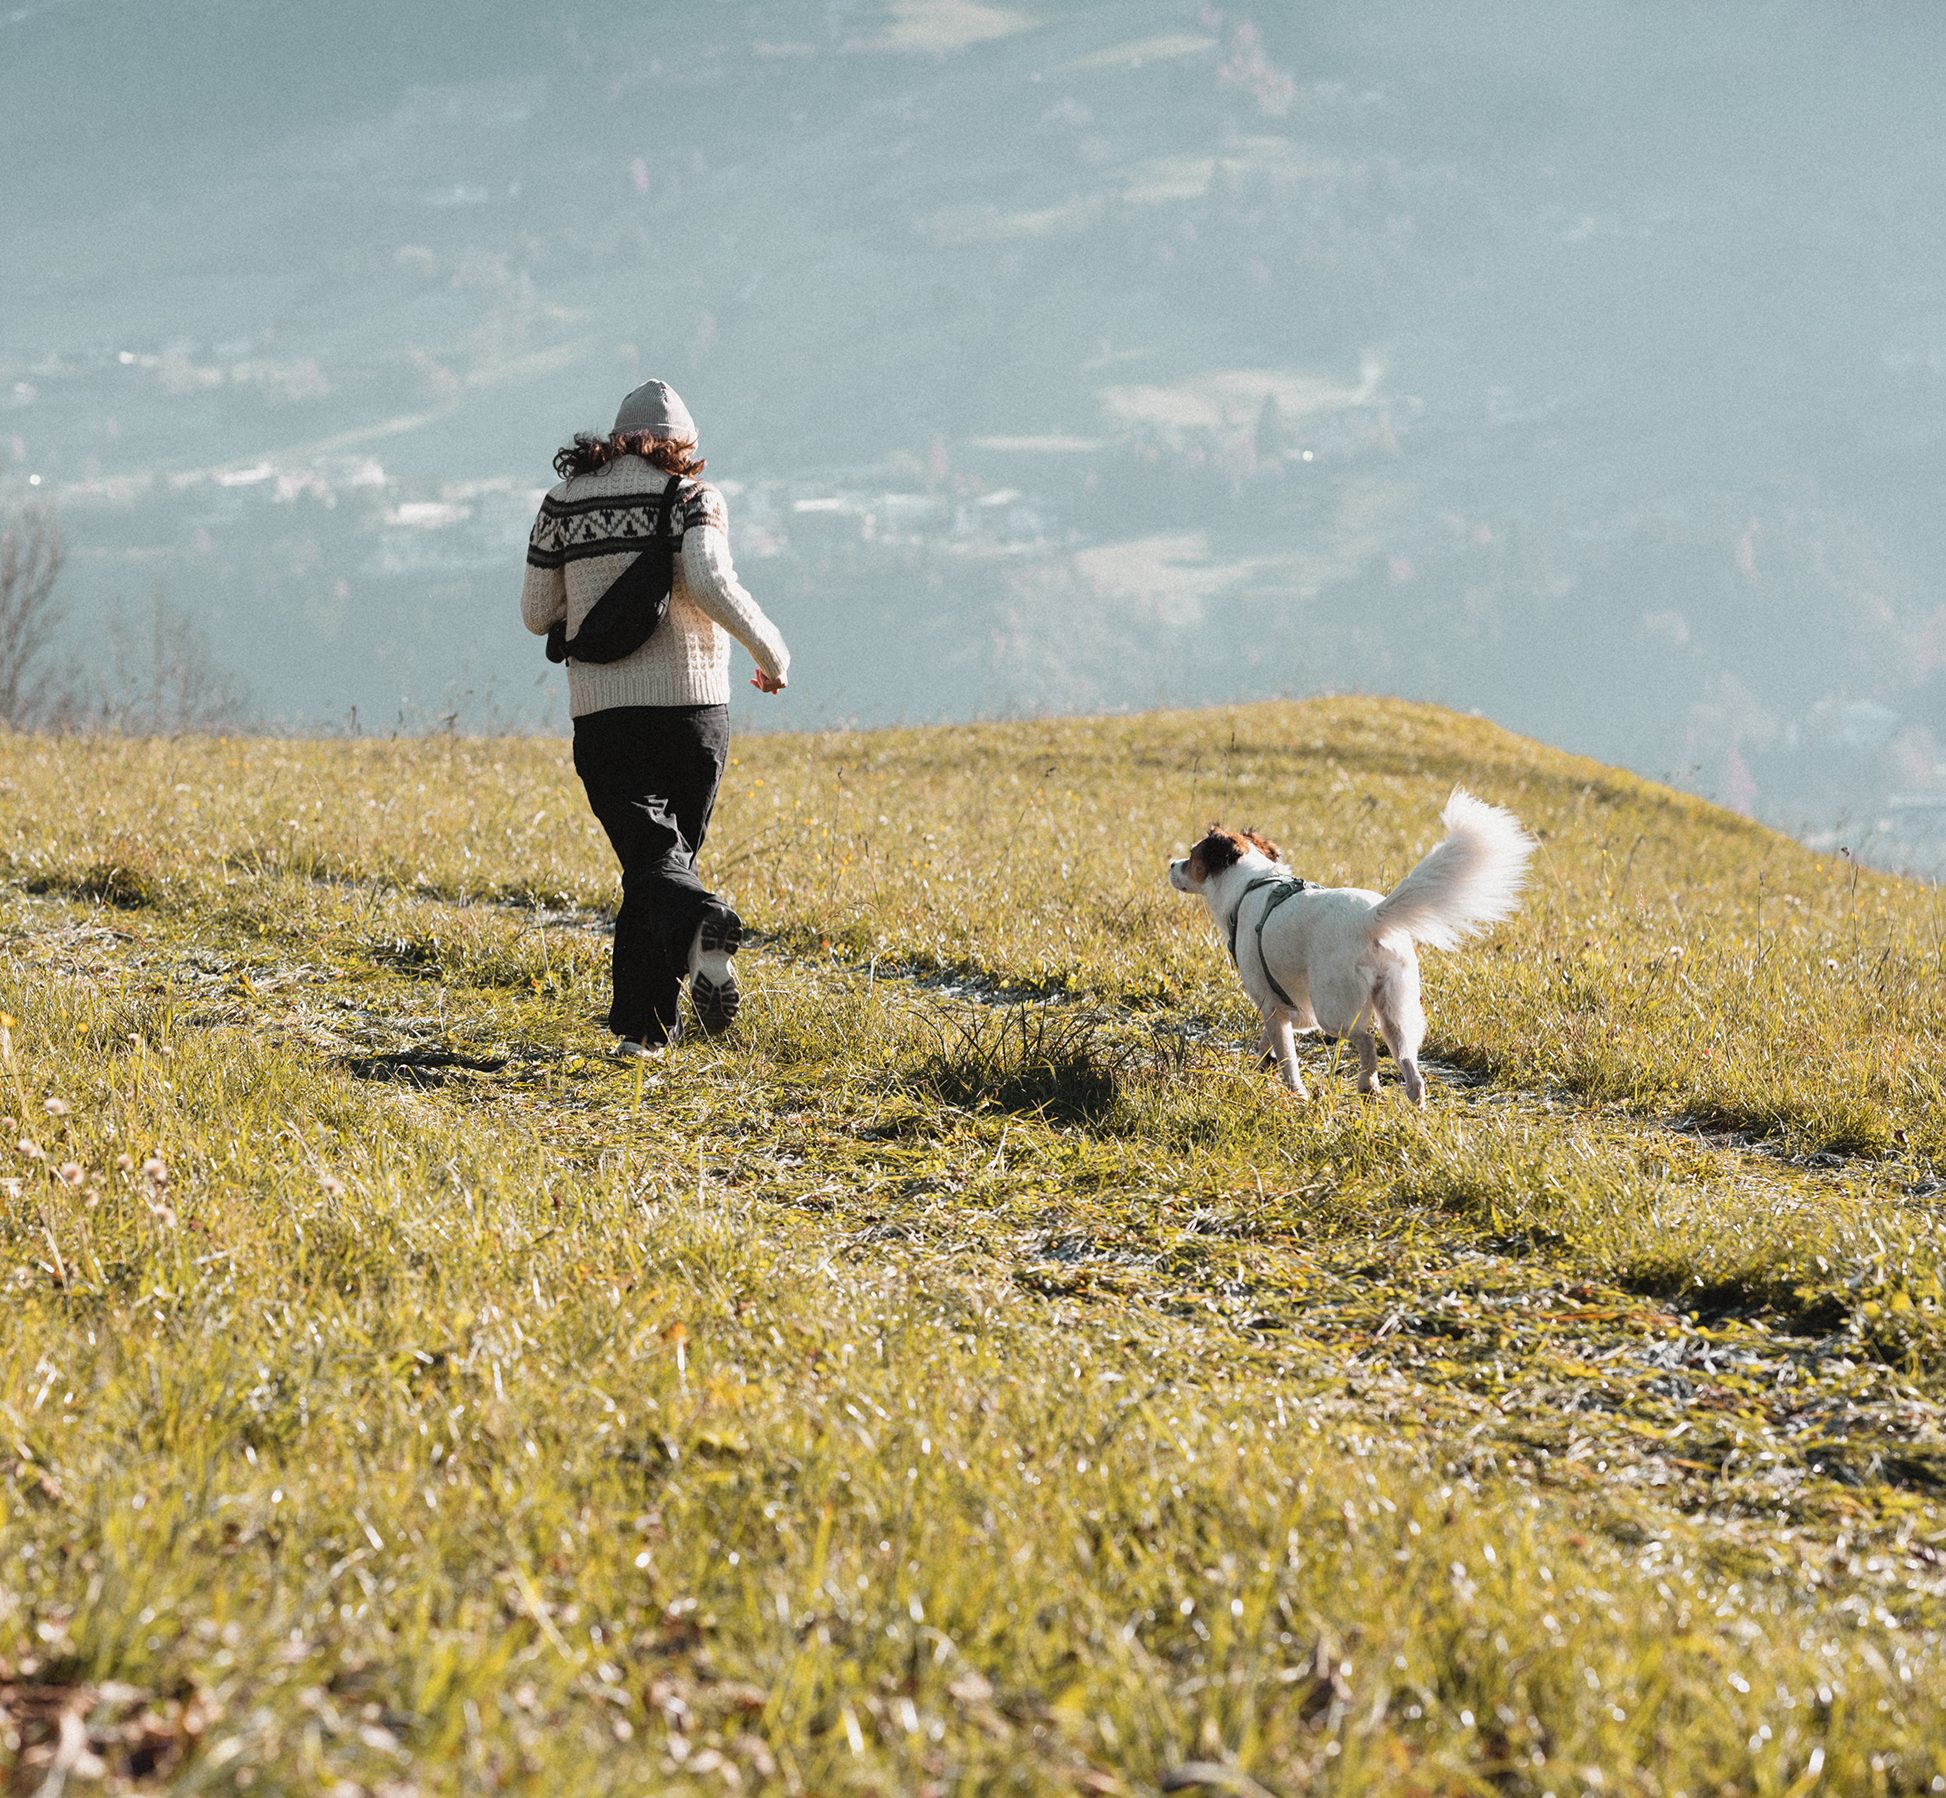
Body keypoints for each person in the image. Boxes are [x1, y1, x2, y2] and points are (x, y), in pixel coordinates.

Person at [521, 380, 790, 1056]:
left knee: (652, 862)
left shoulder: (560, 503)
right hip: (693, 709)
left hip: (606, 714)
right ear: (682, 446)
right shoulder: (695, 497)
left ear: (614, 438)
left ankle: (656, 1008)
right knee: (663, 863)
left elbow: (533, 612)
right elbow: (708, 580)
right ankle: (656, 1010)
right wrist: (772, 654)